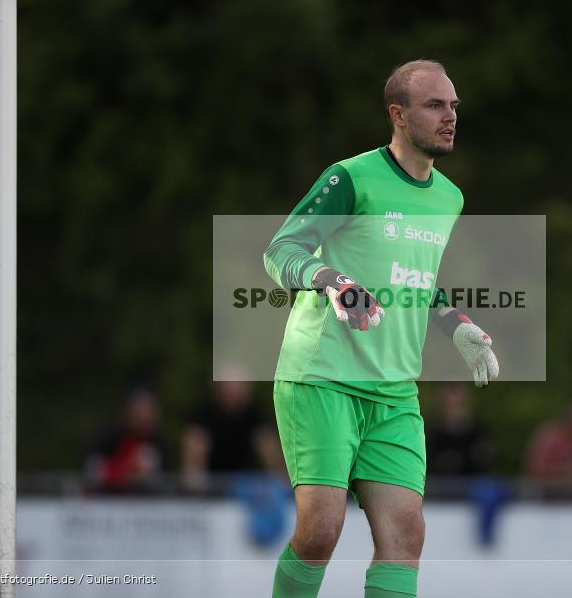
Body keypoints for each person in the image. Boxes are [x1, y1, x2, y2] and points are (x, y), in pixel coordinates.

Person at [263, 60, 499, 598]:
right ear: (398, 115)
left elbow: (417, 281)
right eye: (435, 105)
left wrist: (456, 325)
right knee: (321, 530)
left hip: (394, 392)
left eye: (454, 106)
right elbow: (281, 250)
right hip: (322, 378)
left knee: (406, 534)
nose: (450, 117)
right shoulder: (350, 177)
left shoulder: (450, 197)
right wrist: (332, 281)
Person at [182, 372, 268, 493]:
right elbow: (194, 464)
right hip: (211, 489)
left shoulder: (254, 413)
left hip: (245, 487)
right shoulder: (204, 413)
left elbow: (269, 449)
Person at [85, 385, 168, 494]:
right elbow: (92, 471)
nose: (145, 417)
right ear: (129, 412)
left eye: (149, 411)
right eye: (140, 411)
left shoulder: (158, 442)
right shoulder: (109, 437)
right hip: (107, 502)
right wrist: (127, 469)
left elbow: (166, 480)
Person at [426, 382, 494, 476]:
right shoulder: (433, 435)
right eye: (450, 406)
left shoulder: (480, 432)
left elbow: (486, 460)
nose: (455, 412)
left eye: (458, 406)